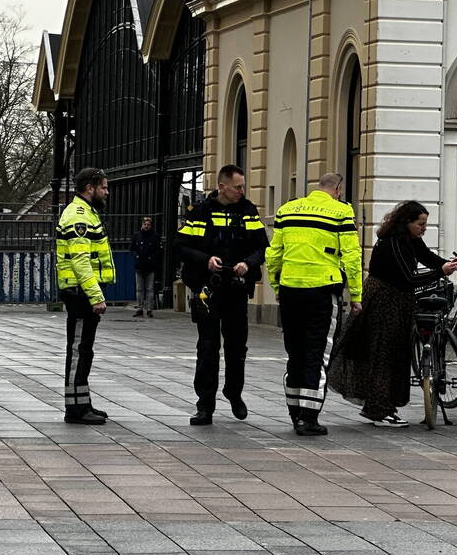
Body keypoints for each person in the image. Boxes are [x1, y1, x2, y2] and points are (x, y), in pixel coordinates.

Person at [328, 201, 457, 427]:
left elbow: (427, 256)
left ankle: (381, 406)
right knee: (384, 354)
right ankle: (379, 410)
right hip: (384, 302)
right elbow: (408, 278)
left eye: (425, 224)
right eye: (420, 224)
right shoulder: (393, 242)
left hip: (398, 300)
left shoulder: (409, 239)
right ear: (406, 222)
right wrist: (440, 271)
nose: (424, 228)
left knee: (394, 353)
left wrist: (447, 263)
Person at [265, 172, 362, 436]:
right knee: (317, 353)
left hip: (290, 289)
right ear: (338, 189)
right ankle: (308, 418)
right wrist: (356, 295)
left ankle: (294, 411)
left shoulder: (287, 210)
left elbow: (274, 254)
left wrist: (277, 286)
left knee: (295, 352)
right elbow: (352, 256)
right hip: (322, 291)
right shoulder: (341, 212)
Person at [176, 164, 268, 426]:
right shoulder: (200, 212)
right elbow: (180, 246)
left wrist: (248, 263)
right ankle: (205, 405)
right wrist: (206, 260)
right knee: (208, 347)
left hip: (236, 289)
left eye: (243, 186)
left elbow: (262, 247)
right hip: (208, 290)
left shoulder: (248, 211)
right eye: (237, 187)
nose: (241, 191)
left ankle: (233, 392)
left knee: (237, 347)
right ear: (222, 186)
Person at [56, 167, 115, 425]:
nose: (107, 192)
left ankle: (82, 402)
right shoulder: (79, 216)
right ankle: (75, 408)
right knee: (79, 350)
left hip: (82, 292)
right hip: (80, 293)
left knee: (84, 350)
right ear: (90, 188)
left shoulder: (87, 212)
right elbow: (81, 262)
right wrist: (95, 296)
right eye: (104, 187)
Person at [131, 216, 161, 318]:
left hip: (150, 265)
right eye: (145, 224)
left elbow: (158, 250)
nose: (146, 226)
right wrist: (136, 256)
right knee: (139, 289)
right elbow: (132, 248)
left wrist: (152, 258)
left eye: (148, 224)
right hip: (139, 265)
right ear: (142, 225)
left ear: (151, 226)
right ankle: (139, 308)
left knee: (149, 289)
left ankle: (149, 309)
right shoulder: (136, 236)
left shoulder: (155, 236)